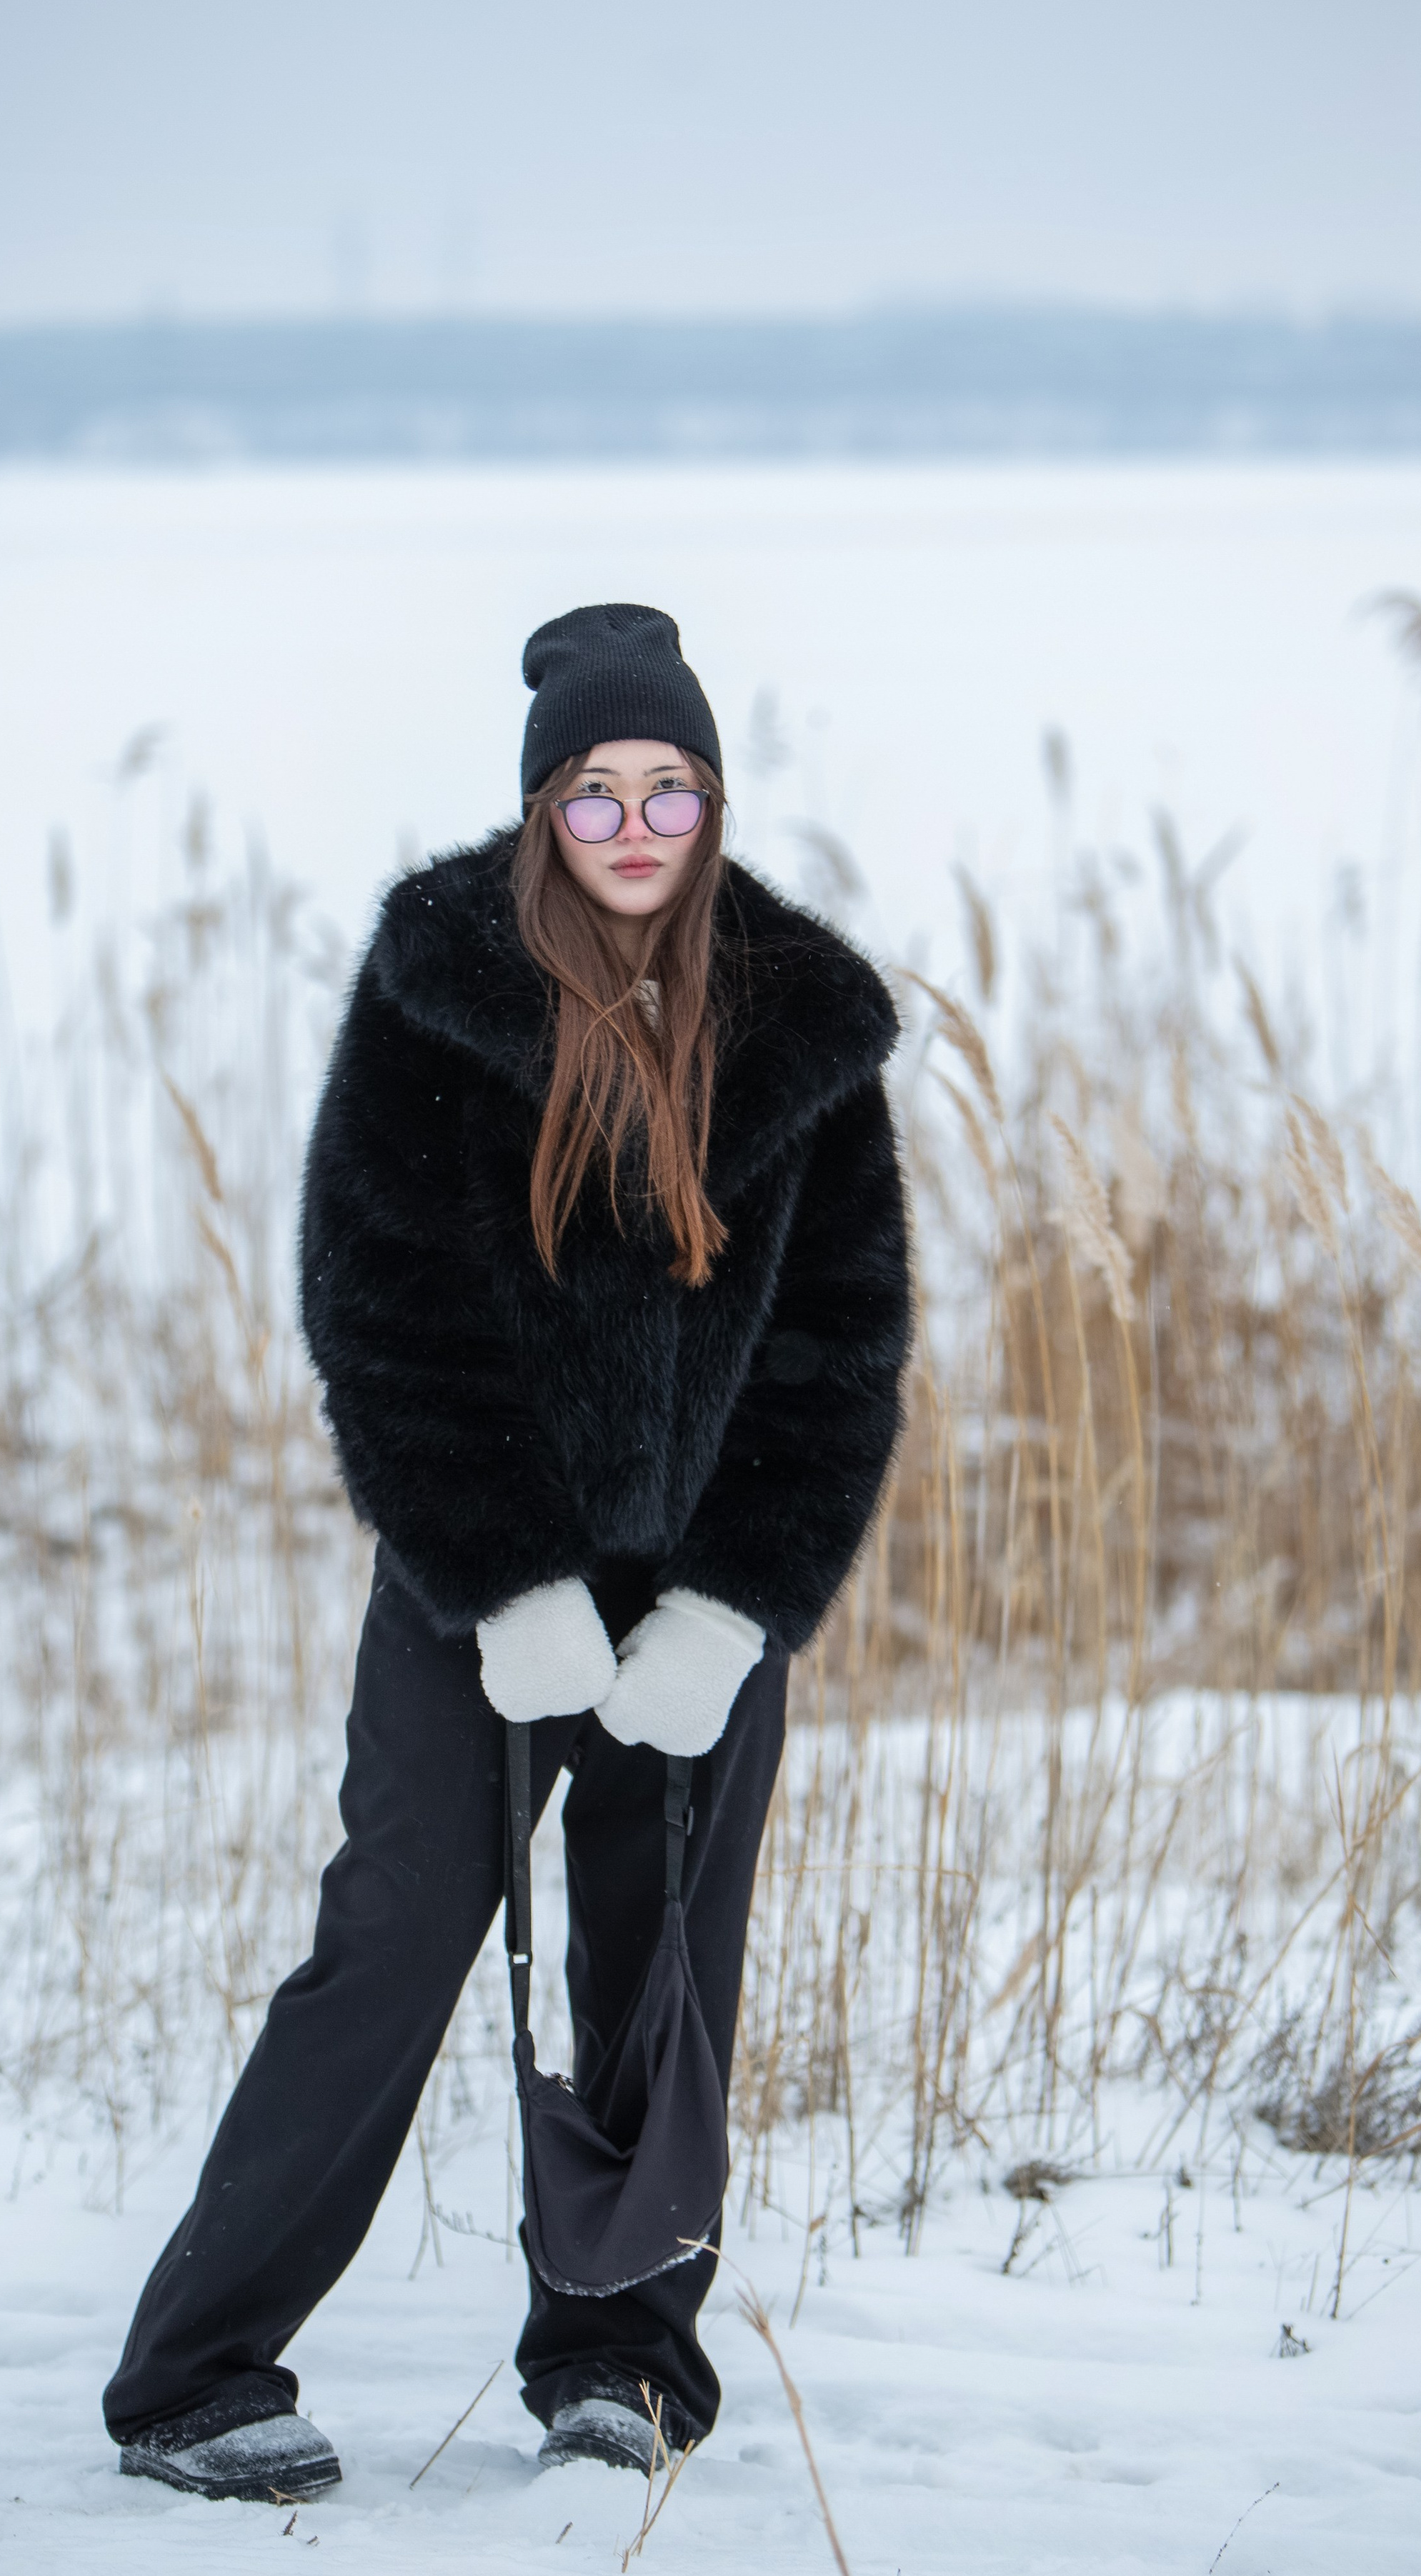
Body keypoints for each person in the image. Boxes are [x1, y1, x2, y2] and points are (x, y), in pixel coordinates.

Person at [102, 602, 912, 2501]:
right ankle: (194, 2377)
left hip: (701, 1600)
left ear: (714, 804)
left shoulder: (800, 1024)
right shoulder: (439, 986)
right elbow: (378, 1312)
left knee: (660, 1970)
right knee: (390, 1947)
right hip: (480, 1590)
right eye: (596, 792)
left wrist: (732, 1611)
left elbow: (843, 1347)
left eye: (671, 789)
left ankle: (620, 2363)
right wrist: (505, 1581)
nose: (635, 827)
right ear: (544, 807)